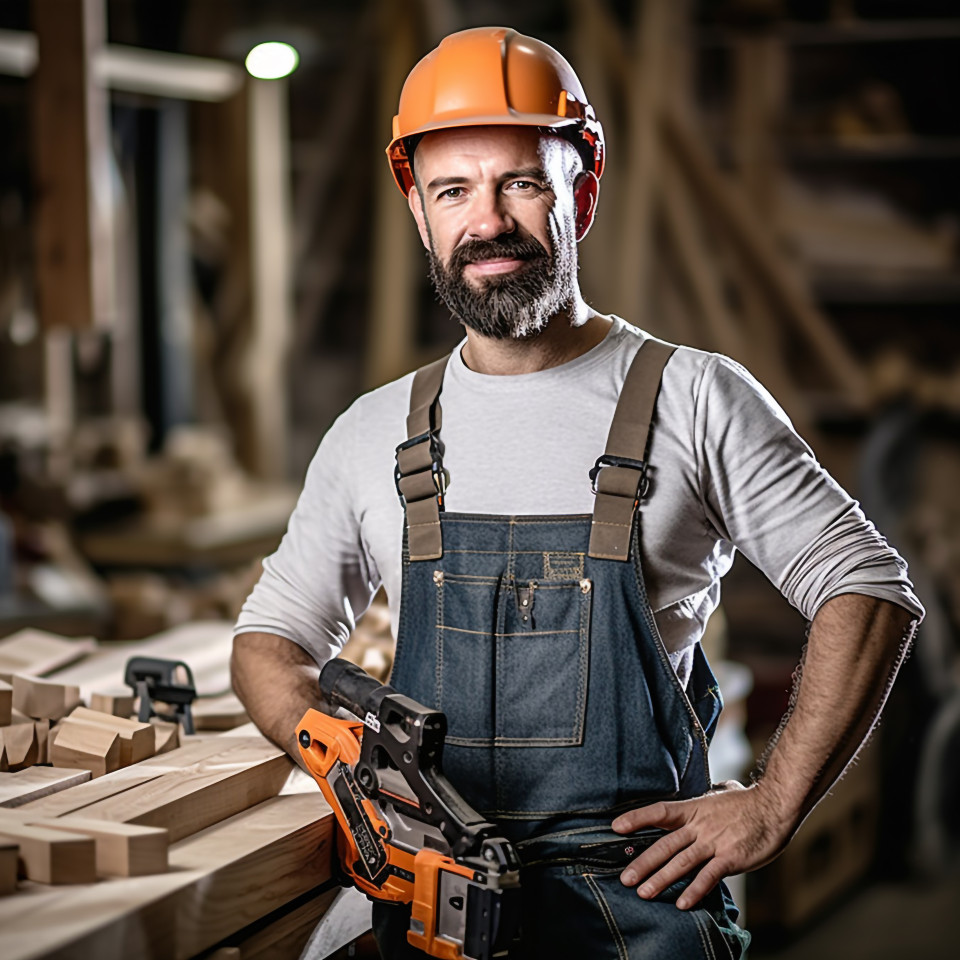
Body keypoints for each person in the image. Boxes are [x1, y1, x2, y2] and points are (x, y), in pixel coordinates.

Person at [232, 26, 923, 959]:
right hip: (435, 907)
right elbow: (270, 640)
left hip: (637, 904)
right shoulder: (374, 431)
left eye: (521, 182)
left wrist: (769, 805)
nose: (488, 221)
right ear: (420, 213)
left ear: (582, 194)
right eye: (453, 191)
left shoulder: (694, 396)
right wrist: (340, 757)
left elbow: (870, 588)